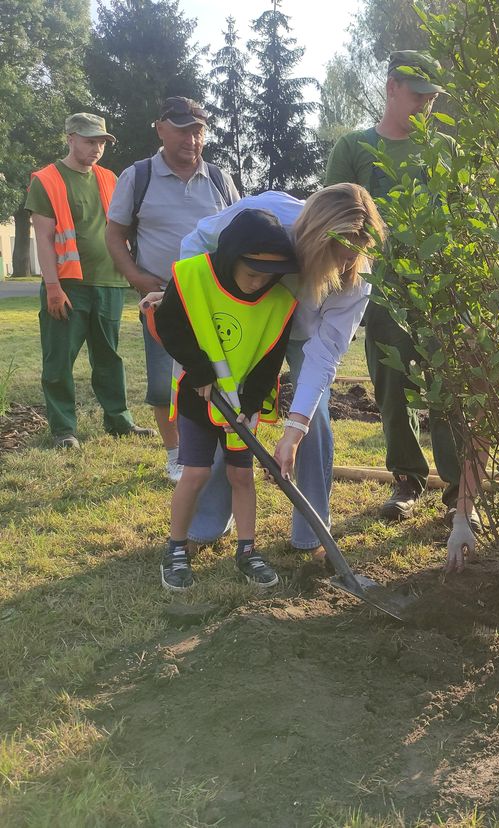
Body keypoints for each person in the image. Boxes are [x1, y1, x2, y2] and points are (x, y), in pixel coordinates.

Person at [177, 184, 385, 558]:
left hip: (307, 337)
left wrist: (293, 431)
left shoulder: (357, 275)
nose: (342, 267)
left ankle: (312, 532)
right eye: (334, 256)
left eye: (351, 258)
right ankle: (207, 524)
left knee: (315, 420)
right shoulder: (265, 215)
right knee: (231, 408)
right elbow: (196, 242)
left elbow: (325, 354)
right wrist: (189, 303)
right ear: (312, 237)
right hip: (254, 322)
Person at [324, 50, 473, 533]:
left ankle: (456, 490)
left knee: (449, 389)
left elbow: (464, 219)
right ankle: (407, 480)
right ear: (391, 87)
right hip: (383, 293)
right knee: (392, 389)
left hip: (442, 292)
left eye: (432, 97)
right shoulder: (354, 147)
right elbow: (338, 215)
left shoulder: (445, 151)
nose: (425, 104)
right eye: (417, 94)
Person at [152, 209, 297, 591]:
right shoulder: (192, 276)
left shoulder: (279, 302)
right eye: (251, 273)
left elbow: (270, 359)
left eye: (268, 276)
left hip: (239, 406)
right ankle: (176, 548)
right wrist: (199, 371)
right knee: (197, 472)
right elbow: (169, 325)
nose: (258, 283)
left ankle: (248, 551)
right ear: (231, 257)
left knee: (241, 477)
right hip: (197, 399)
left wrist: (250, 403)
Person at [105, 97, 239, 485]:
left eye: (198, 130)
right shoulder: (138, 176)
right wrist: (135, 276)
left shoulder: (219, 178)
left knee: (216, 374)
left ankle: (214, 446)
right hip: (160, 298)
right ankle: (176, 455)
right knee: (165, 381)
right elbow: (115, 234)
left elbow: (239, 231)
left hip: (212, 298)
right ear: (160, 128)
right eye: (182, 129)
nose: (191, 139)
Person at [26, 113, 152, 448]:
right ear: (70, 138)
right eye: (89, 140)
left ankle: (119, 421)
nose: (96, 148)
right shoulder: (47, 180)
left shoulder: (111, 178)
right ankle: (64, 430)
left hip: (109, 282)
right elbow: (43, 237)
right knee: (59, 360)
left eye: (101, 142)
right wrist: (52, 287)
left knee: (109, 357)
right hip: (67, 286)